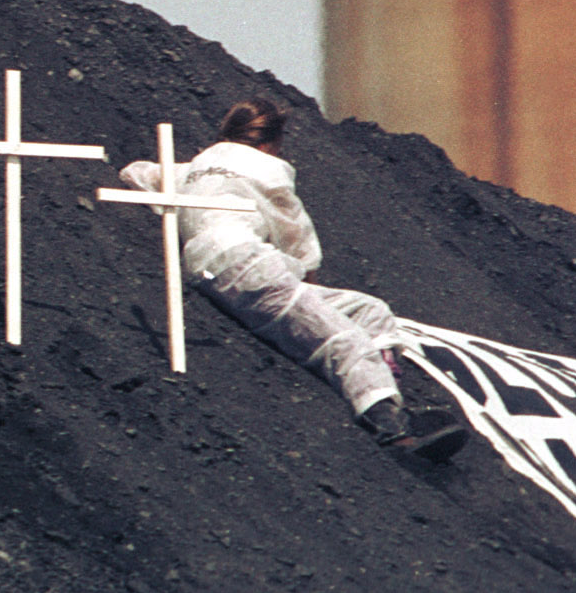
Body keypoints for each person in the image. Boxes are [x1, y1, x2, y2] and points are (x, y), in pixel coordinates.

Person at [120, 99, 467, 460]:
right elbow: (297, 237)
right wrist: (309, 278)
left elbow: (137, 174)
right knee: (344, 339)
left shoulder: (194, 167)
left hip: (208, 265)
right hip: (248, 265)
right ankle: (391, 428)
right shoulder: (269, 168)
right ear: (270, 141)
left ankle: (389, 396)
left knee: (370, 310)